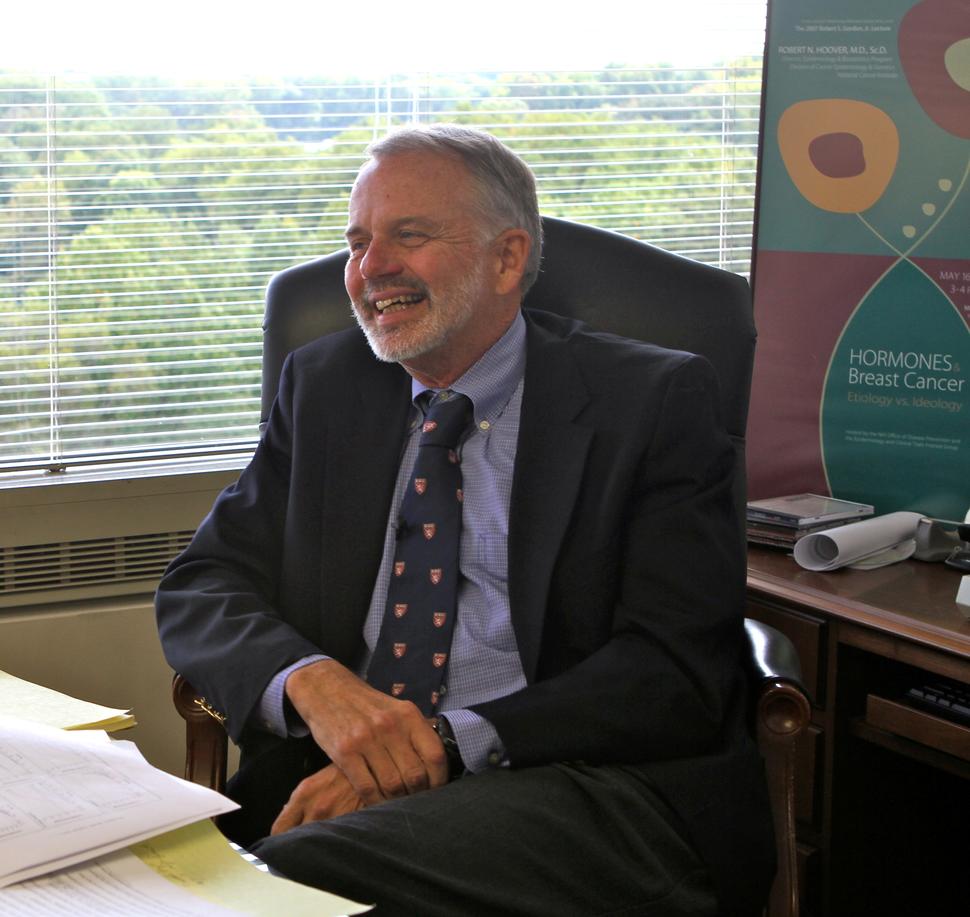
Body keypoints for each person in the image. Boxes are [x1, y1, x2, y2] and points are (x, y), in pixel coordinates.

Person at [155, 124, 773, 916]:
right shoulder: (328, 385)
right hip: (345, 774)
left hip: (585, 782)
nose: (370, 269)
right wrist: (315, 684)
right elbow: (203, 585)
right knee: (139, 868)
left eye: (408, 236)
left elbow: (673, 671)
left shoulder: (651, 404)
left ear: (507, 258)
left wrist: (447, 741)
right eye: (358, 242)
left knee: (287, 881)